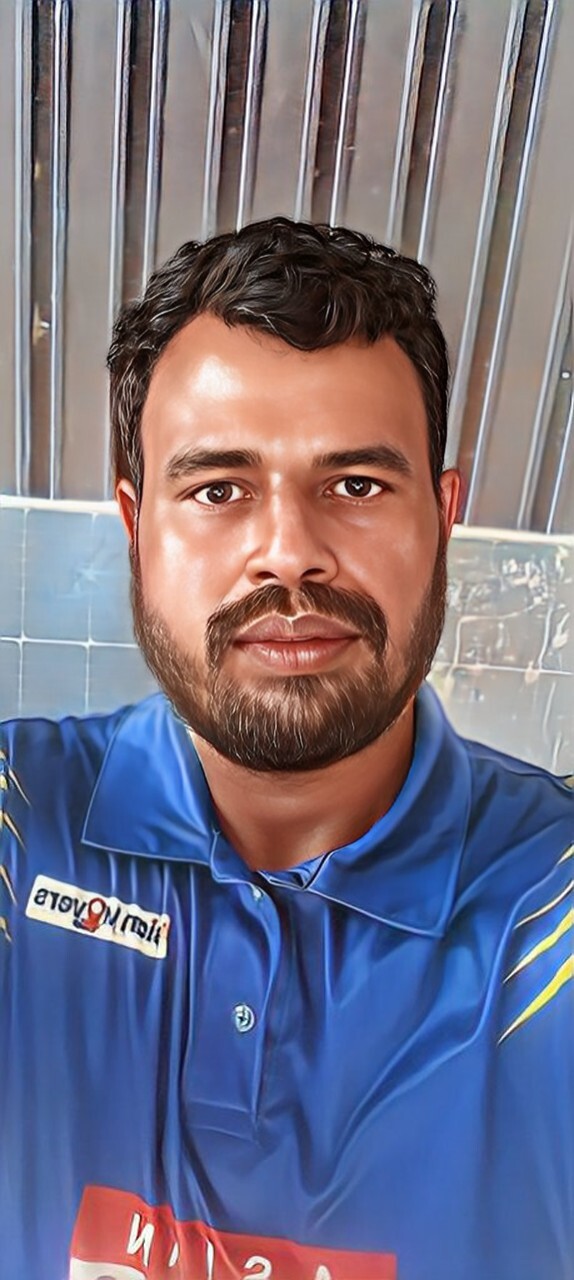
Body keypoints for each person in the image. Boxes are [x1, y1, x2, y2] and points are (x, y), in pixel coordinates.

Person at [0, 218, 571, 1280]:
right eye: (219, 489)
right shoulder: (16, 822)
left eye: (355, 485)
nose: (290, 553)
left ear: (443, 516)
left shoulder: (552, 908)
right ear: (136, 526)